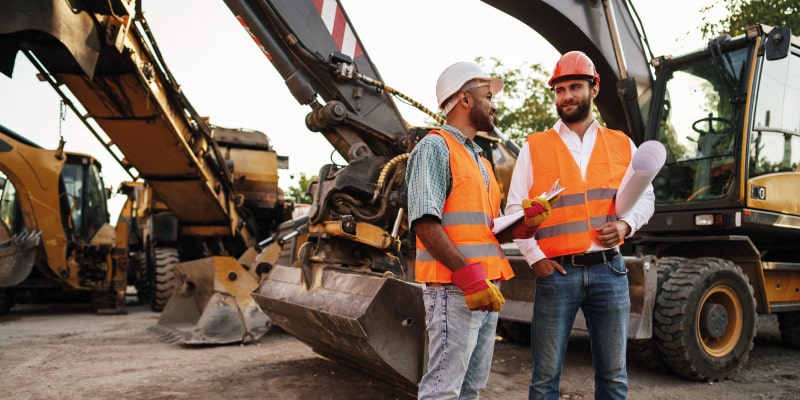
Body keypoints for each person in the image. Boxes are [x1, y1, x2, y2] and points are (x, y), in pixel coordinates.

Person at [505, 51, 655, 400]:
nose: (567, 95)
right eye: (559, 89)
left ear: (594, 88)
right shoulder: (534, 147)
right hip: (557, 275)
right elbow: (514, 209)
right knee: (544, 380)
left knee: (614, 378)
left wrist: (626, 226)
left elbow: (646, 198)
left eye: (575, 86)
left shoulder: (621, 144)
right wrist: (533, 257)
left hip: (610, 272)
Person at [406, 61, 551, 400]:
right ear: (465, 101)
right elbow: (425, 222)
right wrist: (466, 275)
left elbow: (489, 230)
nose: (494, 105)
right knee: (443, 390)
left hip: (485, 287)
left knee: (471, 388)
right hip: (455, 287)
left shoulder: (482, 160)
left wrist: (525, 222)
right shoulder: (434, 147)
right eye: (487, 96)